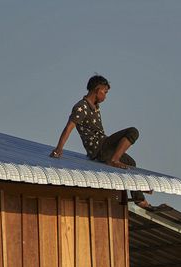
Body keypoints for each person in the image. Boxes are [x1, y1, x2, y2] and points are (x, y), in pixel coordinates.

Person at [49, 74, 150, 207]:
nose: (105, 96)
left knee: (130, 162)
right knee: (133, 131)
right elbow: (69, 127)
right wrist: (59, 149)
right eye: (105, 92)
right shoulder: (82, 107)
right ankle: (114, 160)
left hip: (104, 145)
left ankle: (139, 199)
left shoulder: (95, 105)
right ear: (97, 90)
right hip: (99, 148)